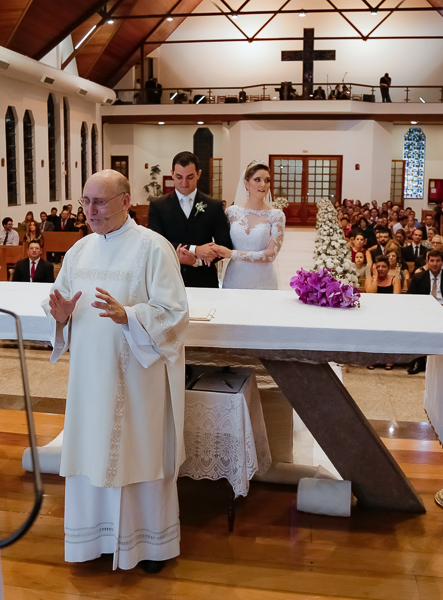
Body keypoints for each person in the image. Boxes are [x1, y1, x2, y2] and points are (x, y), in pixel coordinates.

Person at [42, 169, 189, 573]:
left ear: (126, 201)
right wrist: (60, 316)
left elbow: (175, 314)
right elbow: (60, 301)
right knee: (92, 452)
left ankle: (148, 547)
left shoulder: (153, 249)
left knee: (137, 454)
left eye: (100, 201)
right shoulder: (79, 251)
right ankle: (96, 540)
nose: (90, 210)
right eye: (85, 201)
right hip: (90, 380)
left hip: (136, 380)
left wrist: (132, 317)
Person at [148, 151, 232, 288]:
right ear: (172, 173)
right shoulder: (158, 206)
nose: (184, 183)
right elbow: (156, 243)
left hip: (204, 281)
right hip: (168, 280)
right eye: (179, 177)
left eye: (190, 177)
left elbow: (225, 245)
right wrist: (196, 250)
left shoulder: (213, 205)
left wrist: (197, 261)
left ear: (198, 174)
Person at [209, 161, 286, 290]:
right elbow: (221, 242)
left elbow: (271, 255)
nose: (263, 185)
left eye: (267, 180)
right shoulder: (231, 212)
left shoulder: (276, 216)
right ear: (246, 183)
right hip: (235, 277)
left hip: (263, 280)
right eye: (257, 180)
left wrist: (232, 254)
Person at [407, 250, 443, 374]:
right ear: (427, 262)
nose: (434, 263)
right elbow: (411, 298)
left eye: (438, 260)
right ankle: (419, 361)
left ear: (442, 262)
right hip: (424, 312)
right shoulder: (419, 277)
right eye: (432, 260)